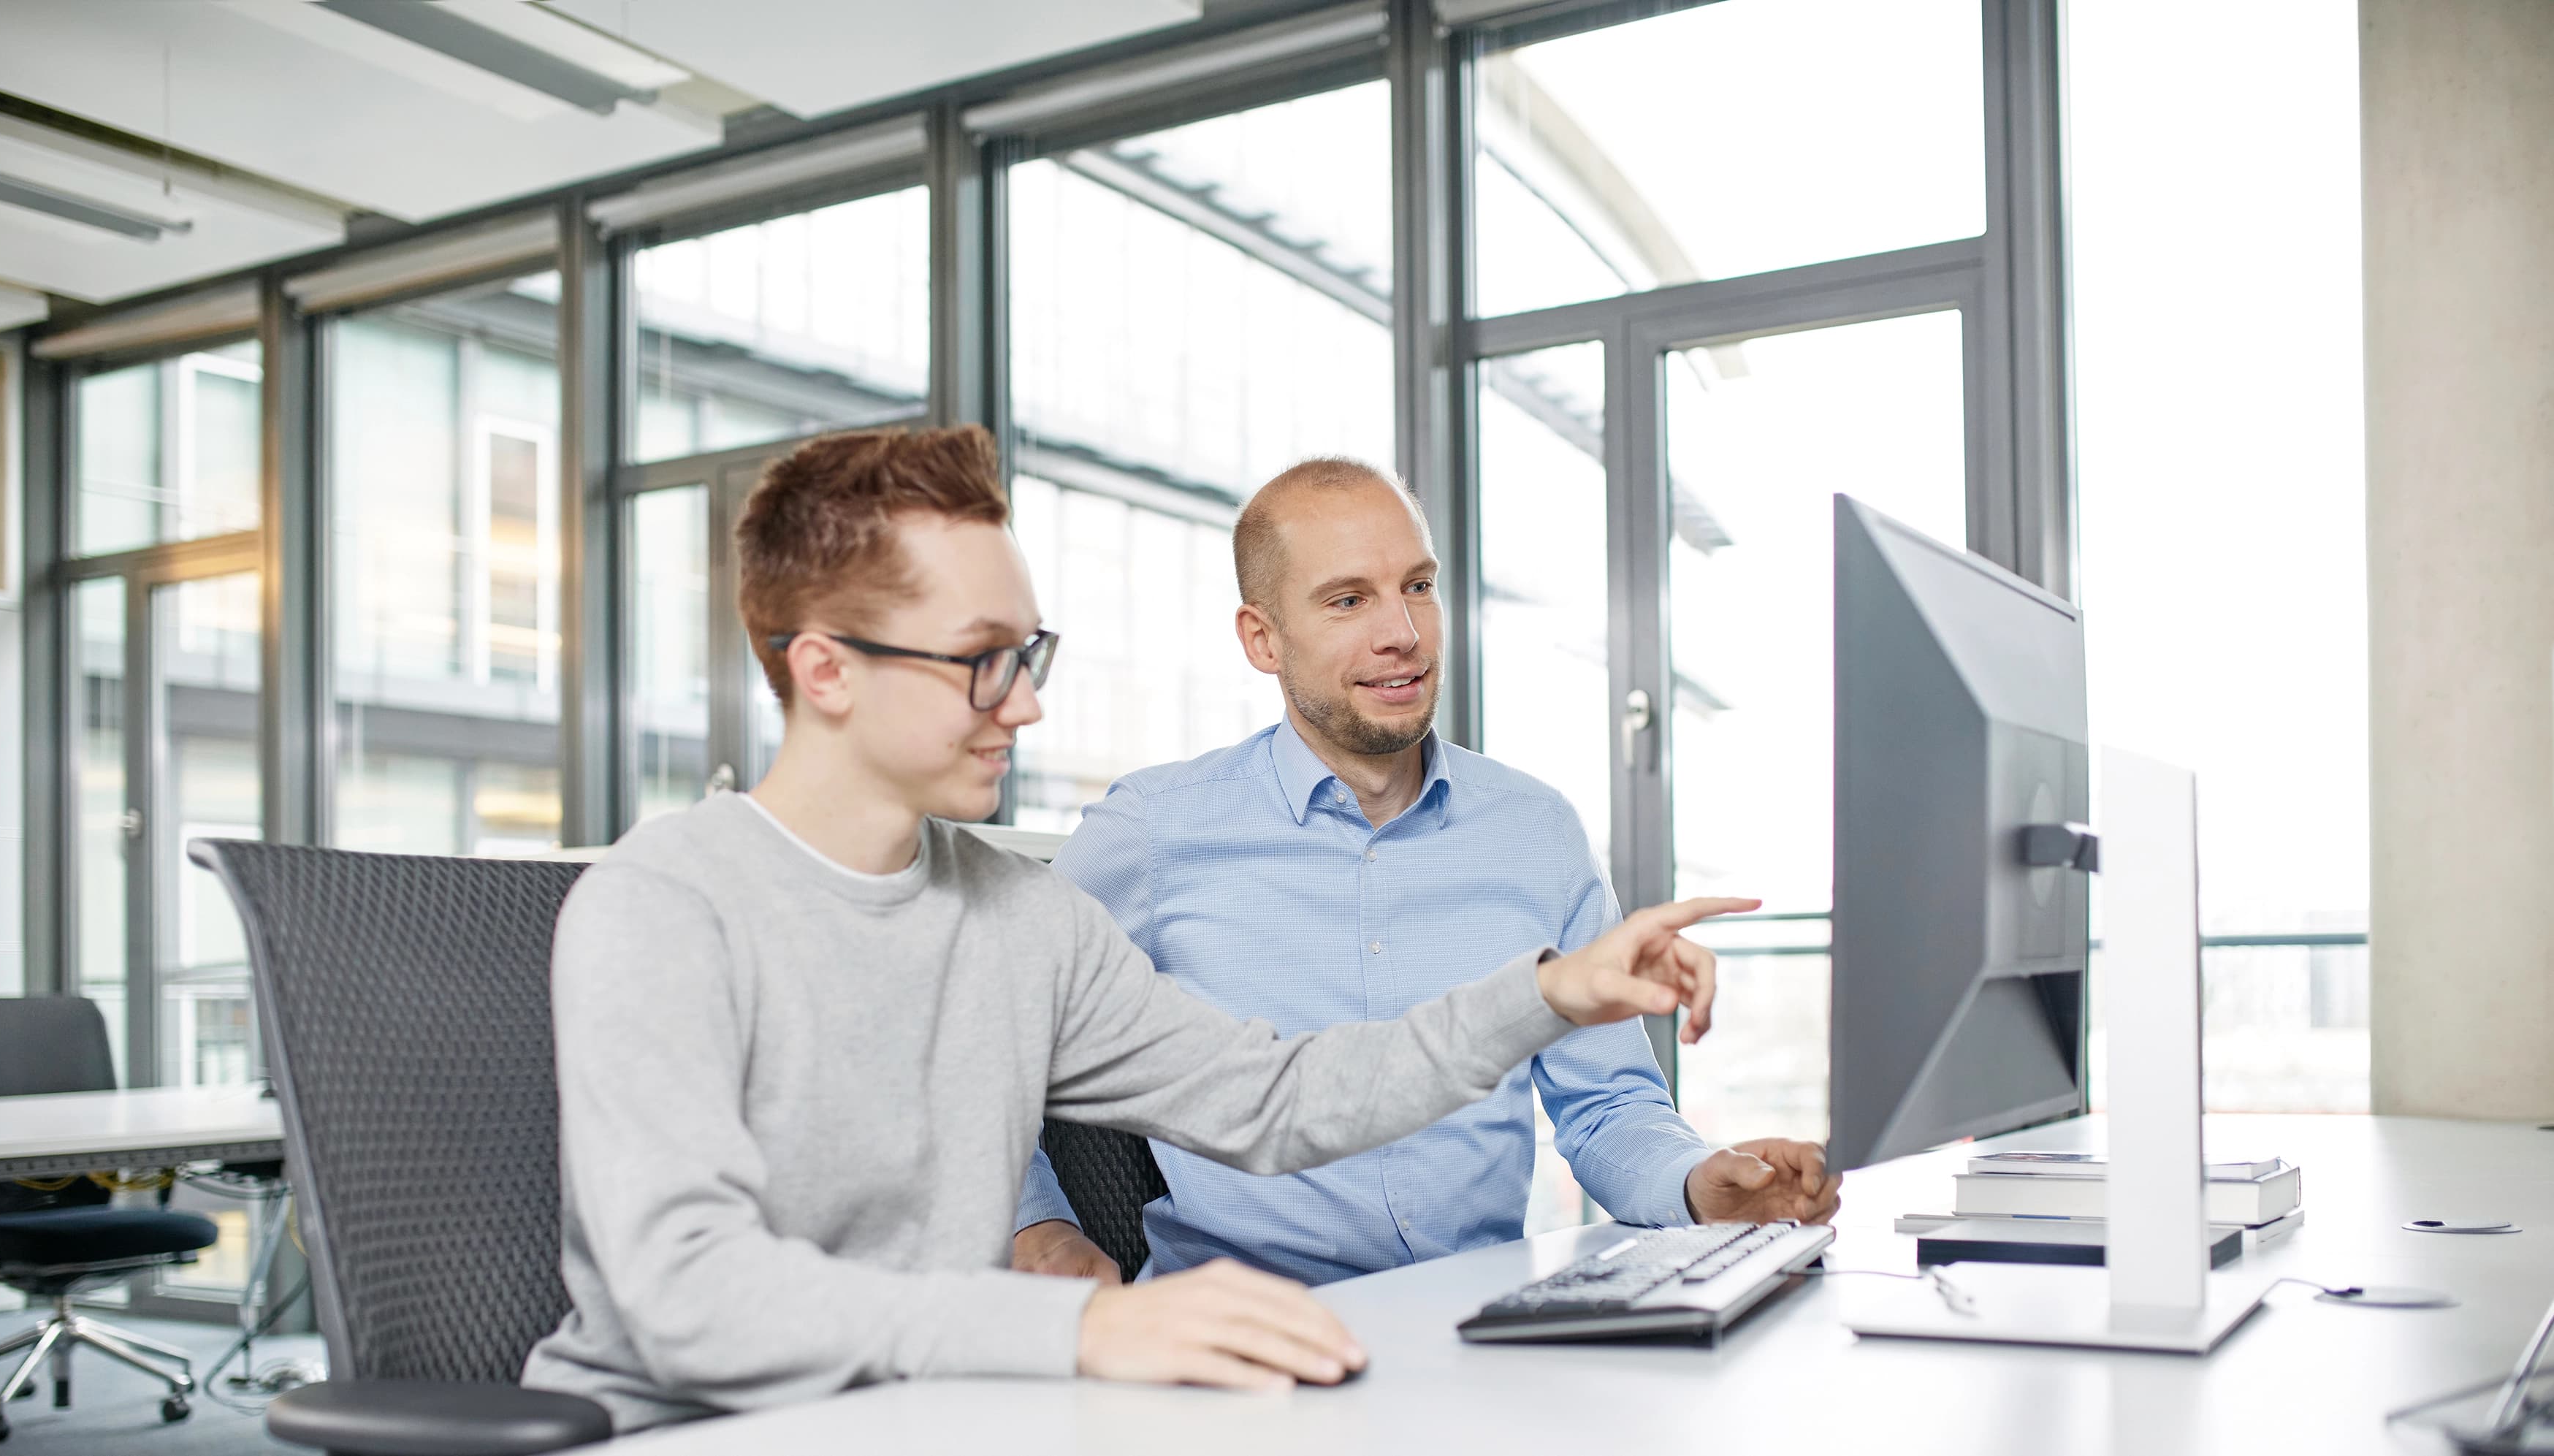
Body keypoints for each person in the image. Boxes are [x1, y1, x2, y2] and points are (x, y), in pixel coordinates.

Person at [519, 425, 1756, 1430]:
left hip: (938, 1419)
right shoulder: (664, 902)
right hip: (681, 1435)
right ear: (825, 668)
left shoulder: (1018, 919)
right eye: (980, 660)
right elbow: (687, 1293)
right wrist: (1079, 1326)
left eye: (1029, 651)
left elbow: (1277, 1100)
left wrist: (1549, 992)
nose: (1031, 702)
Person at [1012, 457, 1839, 1289]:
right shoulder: (1158, 829)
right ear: (1263, 638)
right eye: (1348, 600)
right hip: (1242, 1335)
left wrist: (1698, 1186)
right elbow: (980, 1029)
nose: (1402, 632)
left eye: (1418, 586)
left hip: (1474, 1324)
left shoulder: (1535, 830)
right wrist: (1034, 1223)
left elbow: (1607, 1105)